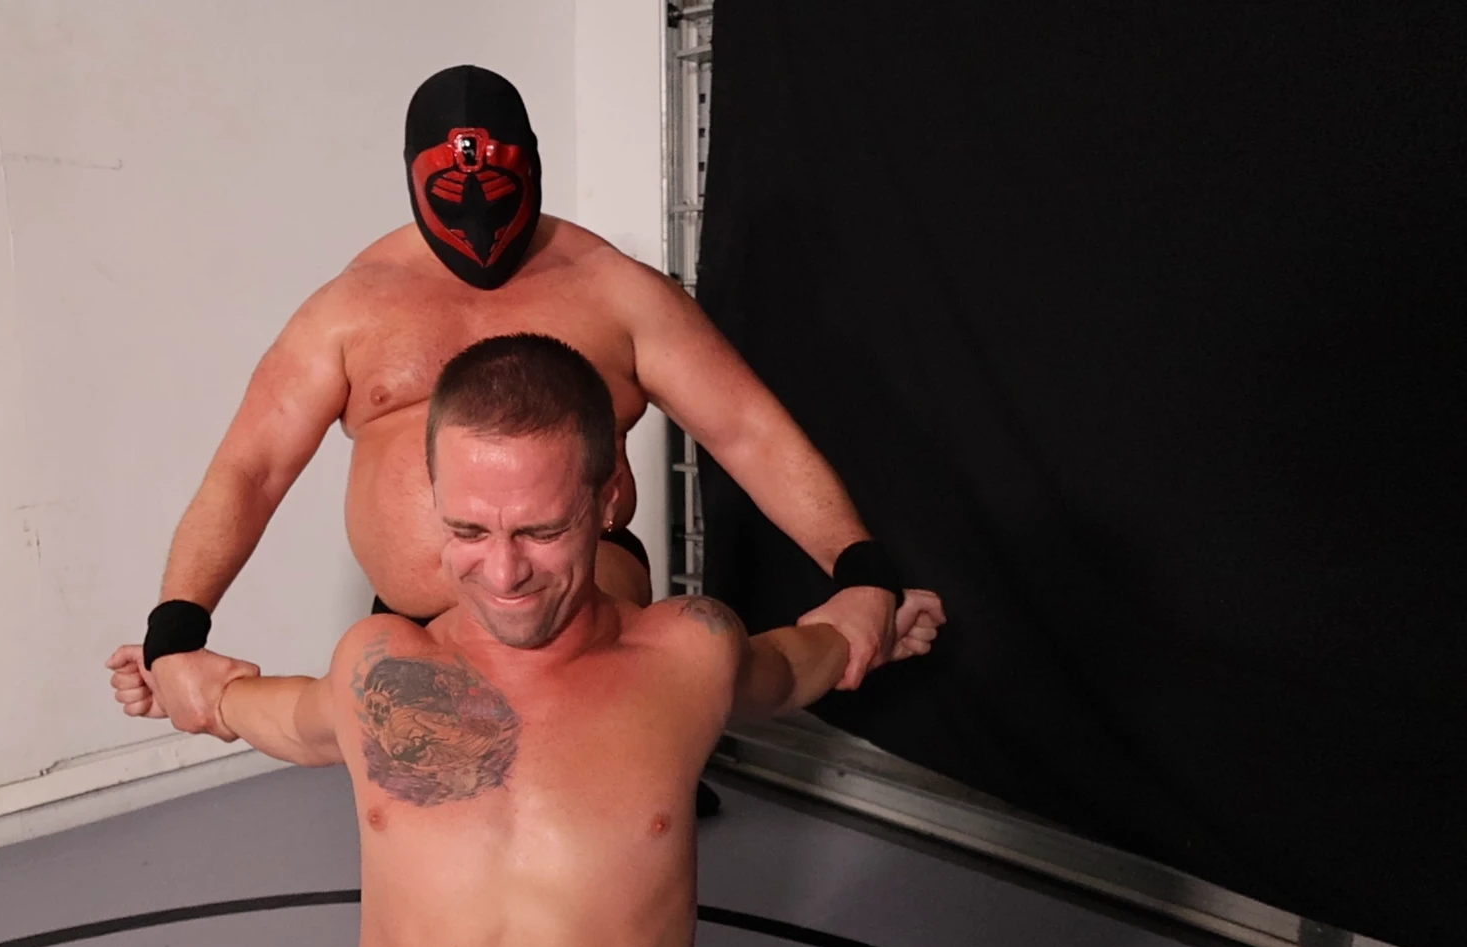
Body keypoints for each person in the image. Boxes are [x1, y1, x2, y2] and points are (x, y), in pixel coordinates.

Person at [107, 335, 936, 947]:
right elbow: (297, 720)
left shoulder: (689, 655)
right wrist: (199, 692)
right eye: (469, 531)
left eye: (541, 531)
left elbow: (787, 668)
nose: (503, 576)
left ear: (608, 500)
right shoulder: (381, 667)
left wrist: (864, 627)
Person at [126, 66, 946, 777]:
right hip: (412, 622)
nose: (477, 209)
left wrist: (859, 570)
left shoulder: (616, 289)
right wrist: (176, 631)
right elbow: (253, 469)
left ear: (535, 167)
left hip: (584, 595)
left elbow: (746, 430)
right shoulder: (351, 307)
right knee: (429, 816)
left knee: (590, 784)